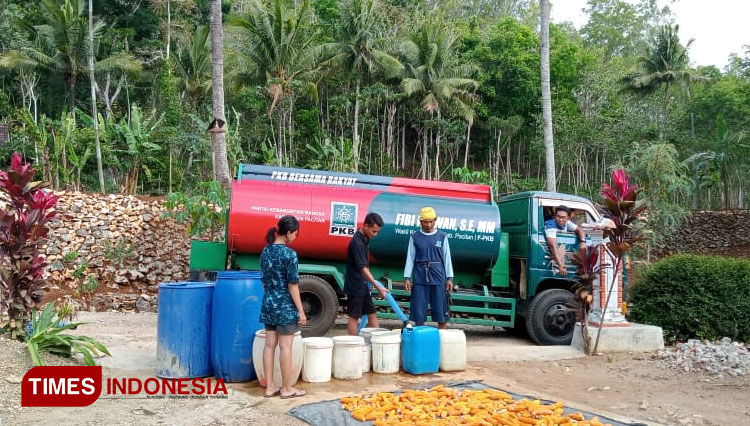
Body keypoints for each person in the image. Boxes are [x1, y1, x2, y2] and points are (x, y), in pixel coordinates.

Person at [259, 215, 306, 399]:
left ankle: (270, 387)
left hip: (268, 304)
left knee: (269, 345)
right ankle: (287, 389)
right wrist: (301, 311)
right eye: (295, 234)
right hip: (285, 306)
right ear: (287, 233)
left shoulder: (265, 251)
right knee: (286, 347)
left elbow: (263, 281)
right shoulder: (289, 254)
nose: (295, 237)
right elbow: (292, 284)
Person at [403, 207, 454, 329]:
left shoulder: (442, 236)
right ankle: (420, 341)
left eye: (431, 221)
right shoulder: (415, 237)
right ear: (420, 222)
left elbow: (447, 257)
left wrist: (450, 278)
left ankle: (442, 340)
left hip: (438, 277)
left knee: (441, 312)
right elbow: (410, 257)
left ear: (435, 220)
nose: (429, 224)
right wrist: (407, 278)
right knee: (418, 314)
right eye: (426, 222)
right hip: (420, 277)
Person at [344, 212, 388, 336]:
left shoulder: (365, 238)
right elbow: (363, 267)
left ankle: (379, 342)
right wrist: (378, 286)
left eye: (377, 232)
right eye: (374, 231)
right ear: (366, 226)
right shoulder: (357, 242)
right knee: (354, 317)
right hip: (355, 285)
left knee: (372, 313)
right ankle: (352, 346)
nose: (375, 235)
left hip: (362, 285)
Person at [544, 205, 587, 277]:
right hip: (554, 258)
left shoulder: (567, 223)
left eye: (563, 217)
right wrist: (561, 265)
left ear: (568, 218)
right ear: (554, 216)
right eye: (558, 216)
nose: (560, 220)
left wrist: (583, 242)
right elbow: (553, 247)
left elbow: (579, 229)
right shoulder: (550, 225)